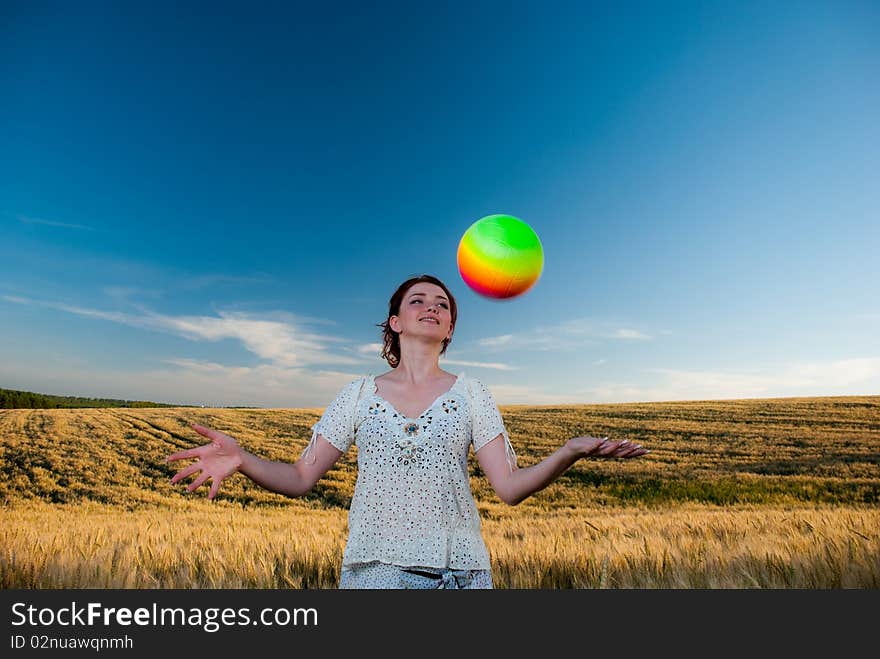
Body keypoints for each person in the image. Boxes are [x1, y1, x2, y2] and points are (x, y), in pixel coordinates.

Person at [166, 273, 648, 589]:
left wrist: (570, 451)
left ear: (451, 329)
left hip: (459, 575)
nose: (431, 307)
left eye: (443, 304)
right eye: (417, 300)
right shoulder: (357, 394)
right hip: (374, 574)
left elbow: (509, 488)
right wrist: (242, 458)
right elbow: (299, 478)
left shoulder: (473, 393)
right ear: (395, 322)